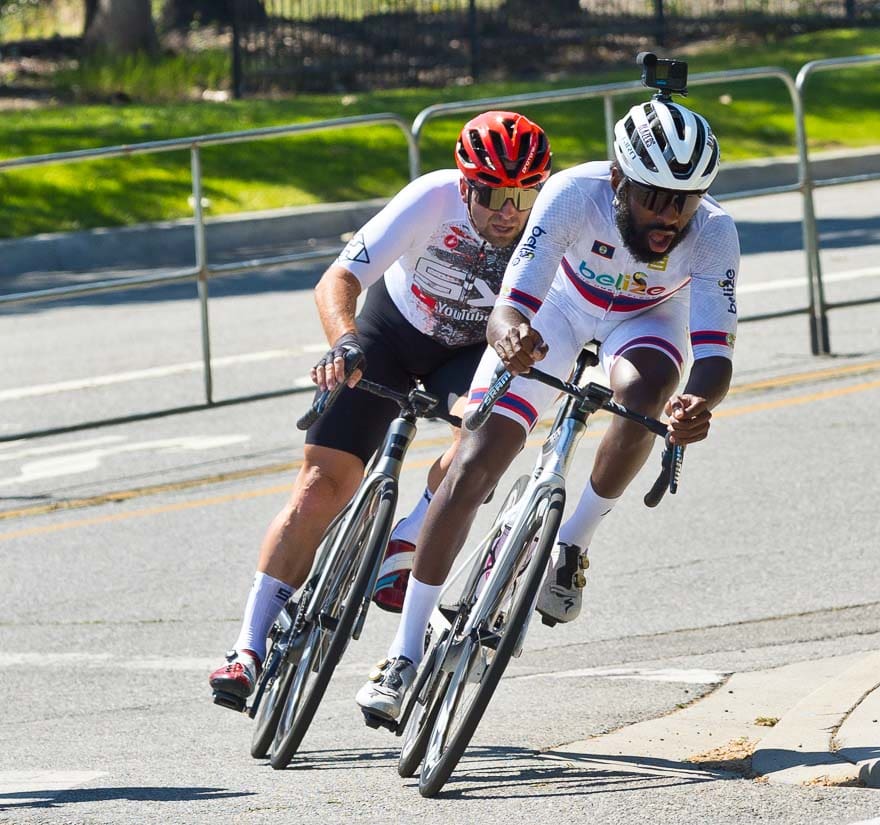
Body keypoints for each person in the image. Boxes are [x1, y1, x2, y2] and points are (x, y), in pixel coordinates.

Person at [357, 97, 740, 721]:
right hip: (558, 309)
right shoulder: (571, 194)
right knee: (473, 466)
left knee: (647, 392)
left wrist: (699, 400)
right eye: (654, 198)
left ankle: (572, 540)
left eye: (686, 199)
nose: (670, 216)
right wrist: (509, 335)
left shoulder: (715, 232)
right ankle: (403, 654)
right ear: (618, 180)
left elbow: (714, 353)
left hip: (647, 318)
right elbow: (514, 302)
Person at [208, 111, 552, 708]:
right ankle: (248, 649)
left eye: (524, 195)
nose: (509, 211)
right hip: (392, 332)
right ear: (467, 184)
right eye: (495, 193)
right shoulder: (430, 198)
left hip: (474, 349)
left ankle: (409, 535)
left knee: (481, 431)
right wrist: (343, 342)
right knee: (321, 484)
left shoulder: (548, 224)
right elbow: (338, 279)